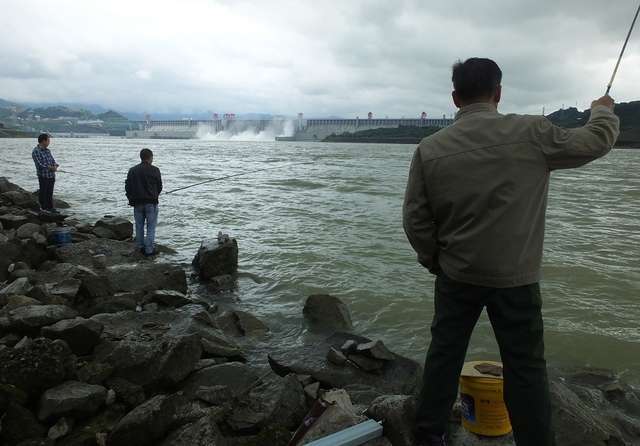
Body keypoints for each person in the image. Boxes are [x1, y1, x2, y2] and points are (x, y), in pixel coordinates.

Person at [403, 58, 619, 446]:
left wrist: (435, 260)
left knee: (444, 355)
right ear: (498, 93)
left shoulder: (429, 148)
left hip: (456, 274)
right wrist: (601, 113)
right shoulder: (531, 132)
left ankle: (428, 433)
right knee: (526, 367)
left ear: (455, 98)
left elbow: (415, 221)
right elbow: (595, 142)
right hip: (516, 278)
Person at [125, 148, 162, 256]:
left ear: (141, 157)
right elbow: (159, 186)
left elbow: (127, 187)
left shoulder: (132, 170)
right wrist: (155, 195)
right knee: (151, 227)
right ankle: (149, 250)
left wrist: (130, 198)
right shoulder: (155, 170)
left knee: (139, 226)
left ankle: (140, 247)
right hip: (151, 203)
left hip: (137, 203)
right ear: (150, 157)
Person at [32, 133, 59, 212]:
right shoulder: (36, 151)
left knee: (50, 193)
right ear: (43, 141)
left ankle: (51, 208)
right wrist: (50, 168)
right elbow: (40, 164)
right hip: (43, 176)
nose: (49, 142)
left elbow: (53, 161)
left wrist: (55, 166)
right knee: (43, 192)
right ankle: (43, 209)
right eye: (48, 140)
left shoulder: (48, 151)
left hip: (51, 175)